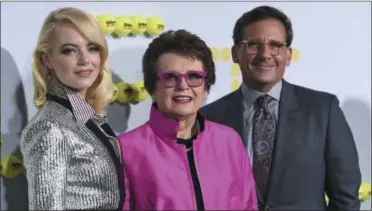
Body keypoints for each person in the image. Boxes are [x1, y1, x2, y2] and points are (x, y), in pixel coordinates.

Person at [201, 5, 361, 211]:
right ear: (235, 53)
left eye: (275, 45)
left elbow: (345, 197)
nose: (265, 54)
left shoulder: (323, 110)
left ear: (288, 55)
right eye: (254, 45)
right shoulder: (209, 117)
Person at [118, 29, 257, 210]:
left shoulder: (229, 141)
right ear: (152, 87)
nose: (183, 86)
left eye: (194, 76)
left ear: (206, 86)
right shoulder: (126, 150)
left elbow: (248, 206)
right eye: (170, 77)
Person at [20, 7, 124, 210]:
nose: (85, 60)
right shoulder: (50, 127)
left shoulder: (88, 117)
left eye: (92, 48)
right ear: (47, 59)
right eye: (69, 50)